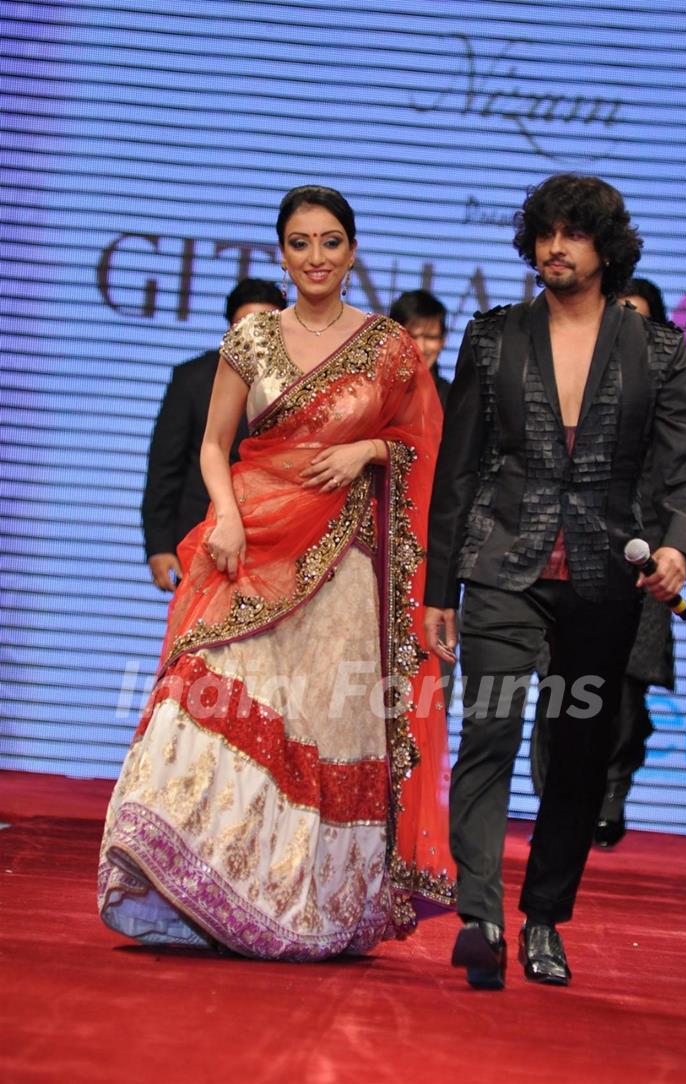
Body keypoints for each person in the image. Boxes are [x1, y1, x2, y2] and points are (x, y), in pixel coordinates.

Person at [99, 185, 455, 960]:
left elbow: (428, 447)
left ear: (353, 252)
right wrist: (222, 514)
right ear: (281, 252)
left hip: (345, 566)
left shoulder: (389, 347)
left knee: (317, 722)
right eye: (300, 243)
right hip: (252, 540)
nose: (316, 257)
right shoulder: (252, 341)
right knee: (204, 697)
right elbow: (211, 445)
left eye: (331, 242)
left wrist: (371, 450)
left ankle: (293, 902)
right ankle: (192, 885)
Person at [423, 174, 686, 990]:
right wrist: (439, 589)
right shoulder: (493, 336)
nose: (556, 247)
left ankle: (544, 918)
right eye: (545, 233)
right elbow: (459, 470)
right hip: (502, 564)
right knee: (488, 734)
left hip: (603, 575)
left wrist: (681, 549)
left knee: (580, 756)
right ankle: (480, 911)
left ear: (604, 246)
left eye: (574, 234)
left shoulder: (656, 348)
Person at [531, 278, 686, 846]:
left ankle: (612, 788)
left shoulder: (682, 386)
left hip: (652, 555)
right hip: (570, 551)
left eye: (641, 318)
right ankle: (553, 802)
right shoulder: (566, 377)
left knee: (627, 689)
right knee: (556, 685)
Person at [142, 278, 286, 592]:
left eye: (265, 327)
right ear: (228, 330)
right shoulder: (192, 379)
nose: (254, 338)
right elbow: (164, 468)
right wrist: (160, 544)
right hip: (200, 539)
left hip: (275, 547)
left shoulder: (296, 386)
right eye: (243, 326)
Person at [390, 289, 455, 712]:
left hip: (437, 554)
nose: (424, 346)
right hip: (382, 546)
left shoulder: (457, 397)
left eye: (433, 336)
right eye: (414, 335)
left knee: (431, 688)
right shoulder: (375, 396)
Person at [389, 289, 452, 409]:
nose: (420, 348)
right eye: (411, 336)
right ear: (391, 337)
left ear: (443, 341)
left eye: (430, 337)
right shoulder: (371, 393)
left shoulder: (452, 399)